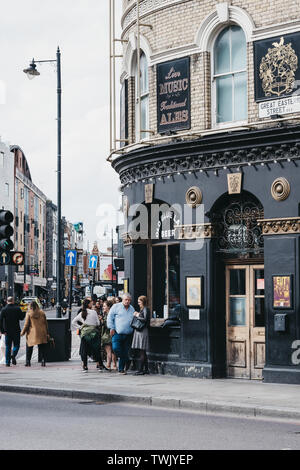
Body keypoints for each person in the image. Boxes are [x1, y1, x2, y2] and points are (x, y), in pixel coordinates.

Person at [72, 298, 107, 372]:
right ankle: (100, 365)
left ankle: (85, 366)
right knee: (96, 349)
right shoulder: (93, 312)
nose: (92, 304)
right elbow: (97, 323)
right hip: (94, 334)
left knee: (84, 350)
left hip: (85, 334)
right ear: (88, 304)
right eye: (91, 303)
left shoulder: (82, 313)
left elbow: (73, 322)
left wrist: (80, 327)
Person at [107, 293, 135, 374]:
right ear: (122, 299)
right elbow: (110, 318)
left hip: (128, 334)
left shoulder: (132, 308)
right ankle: (126, 359)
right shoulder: (116, 307)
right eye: (126, 300)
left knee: (125, 350)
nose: (127, 301)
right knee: (116, 348)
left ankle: (121, 369)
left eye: (129, 300)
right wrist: (111, 327)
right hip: (117, 333)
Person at [21, 300, 49, 367]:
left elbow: (26, 325)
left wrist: (22, 332)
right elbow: (46, 323)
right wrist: (47, 332)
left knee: (29, 347)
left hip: (32, 333)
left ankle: (28, 362)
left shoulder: (29, 314)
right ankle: (43, 361)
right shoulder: (42, 313)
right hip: (42, 332)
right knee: (42, 348)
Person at [0, 297, 25, 367]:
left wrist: (2, 331)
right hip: (16, 330)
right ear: (13, 301)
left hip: (7, 331)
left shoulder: (4, 309)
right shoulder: (17, 308)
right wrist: (24, 311)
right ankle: (13, 355)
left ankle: (7, 362)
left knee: (8, 346)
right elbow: (21, 318)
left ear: (7, 301)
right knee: (16, 345)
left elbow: (0, 321)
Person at [131, 296, 150, 375]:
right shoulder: (143, 309)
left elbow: (145, 319)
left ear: (143, 302)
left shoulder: (145, 309)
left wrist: (137, 315)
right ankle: (146, 369)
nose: (138, 303)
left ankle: (141, 370)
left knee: (142, 351)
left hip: (142, 331)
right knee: (143, 352)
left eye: (139, 302)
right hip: (140, 331)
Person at [101, 300, 117, 371]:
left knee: (109, 352)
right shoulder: (113, 314)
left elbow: (107, 325)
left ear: (109, 307)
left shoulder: (107, 315)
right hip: (113, 334)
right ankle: (114, 365)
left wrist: (102, 321)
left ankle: (108, 365)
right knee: (113, 352)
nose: (103, 307)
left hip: (107, 335)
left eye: (104, 306)